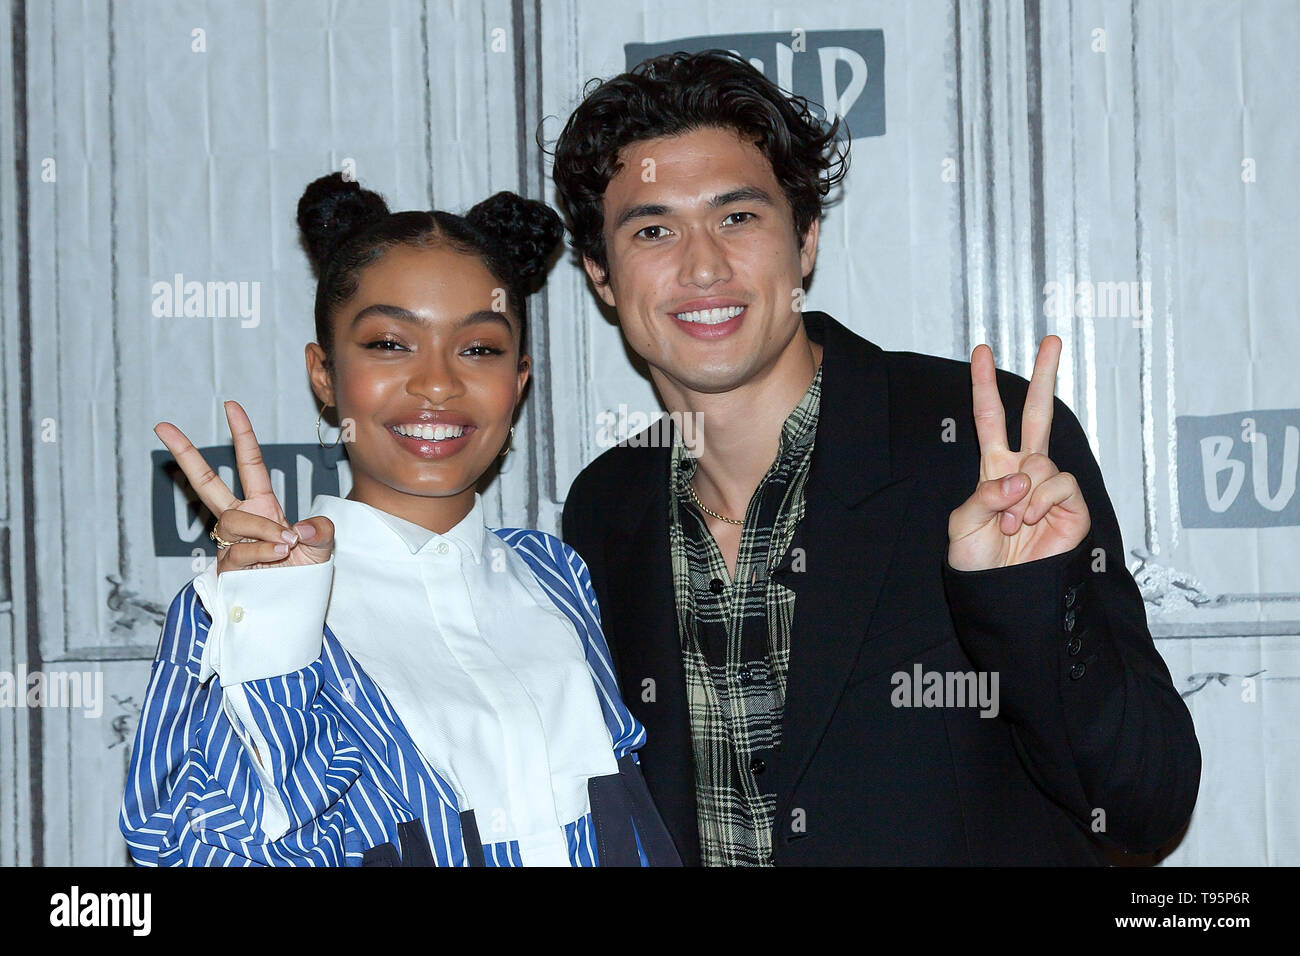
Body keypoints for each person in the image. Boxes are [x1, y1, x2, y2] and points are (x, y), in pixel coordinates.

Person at [552, 50, 1201, 865]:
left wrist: (1025, 597)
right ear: (601, 275)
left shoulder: (975, 447)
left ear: (807, 241)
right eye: (652, 229)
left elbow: (1144, 806)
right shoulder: (606, 506)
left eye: (739, 217)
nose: (703, 265)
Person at [120, 173, 678, 867]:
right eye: (390, 344)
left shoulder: (556, 573)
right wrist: (273, 626)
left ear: (520, 381)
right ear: (324, 374)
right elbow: (187, 849)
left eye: (478, 348)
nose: (438, 383)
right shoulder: (238, 604)